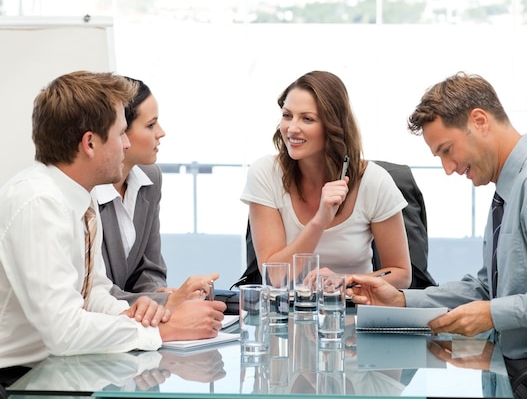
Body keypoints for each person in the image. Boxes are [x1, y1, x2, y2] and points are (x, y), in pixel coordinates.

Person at [0, 71, 225, 381]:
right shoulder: (40, 202)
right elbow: (64, 332)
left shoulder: (82, 197)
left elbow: (94, 294)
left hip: (56, 370)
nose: (127, 143)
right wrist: (166, 329)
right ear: (90, 143)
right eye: (121, 133)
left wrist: (139, 314)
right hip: (16, 379)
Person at [348, 71, 527, 361]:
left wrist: (493, 314)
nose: (448, 168)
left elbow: (491, 305)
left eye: (447, 150)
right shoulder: (505, 193)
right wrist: (403, 300)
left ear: (479, 121)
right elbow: (485, 290)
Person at [240, 70, 411, 288]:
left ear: (333, 126)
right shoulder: (265, 173)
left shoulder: (374, 181)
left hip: (352, 309)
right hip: (287, 312)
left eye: (307, 119)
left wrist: (346, 280)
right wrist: (320, 220)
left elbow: (401, 274)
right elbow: (276, 278)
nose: (292, 128)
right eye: (287, 115)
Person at [92, 78, 218, 309]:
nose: (161, 133)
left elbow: (150, 268)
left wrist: (158, 293)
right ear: (120, 132)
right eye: (150, 125)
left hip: (133, 320)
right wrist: (166, 301)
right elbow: (94, 293)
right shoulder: (88, 189)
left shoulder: (150, 177)